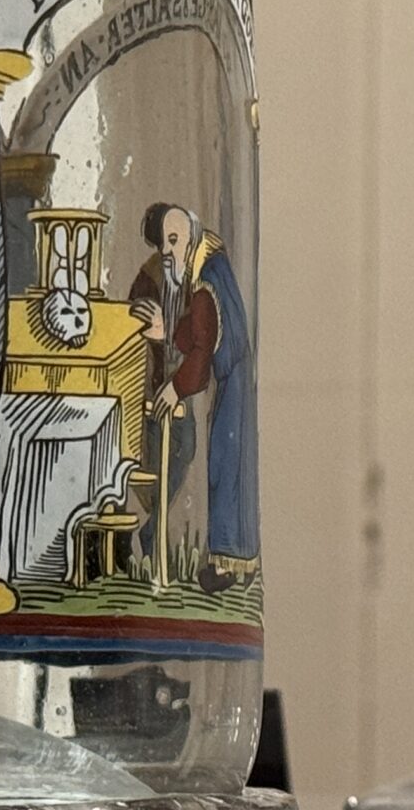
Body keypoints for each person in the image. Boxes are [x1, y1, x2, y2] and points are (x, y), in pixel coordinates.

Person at [126, 202, 259, 594]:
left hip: (231, 384)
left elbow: (202, 349)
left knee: (225, 469)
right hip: (234, 383)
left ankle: (226, 561)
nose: (169, 252)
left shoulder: (204, 282)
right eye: (165, 245)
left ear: (188, 238)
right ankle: (238, 559)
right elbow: (197, 332)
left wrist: (176, 387)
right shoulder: (210, 267)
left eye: (173, 242)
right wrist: (167, 332)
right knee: (232, 468)